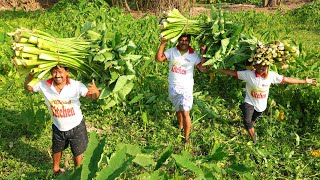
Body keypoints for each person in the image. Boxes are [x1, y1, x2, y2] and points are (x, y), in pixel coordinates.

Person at [24, 65, 100, 175]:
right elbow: (28, 87)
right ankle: (55, 169)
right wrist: (30, 74)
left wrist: (96, 92)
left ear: (67, 72)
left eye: (60, 72)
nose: (57, 75)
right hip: (58, 126)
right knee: (57, 149)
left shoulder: (76, 85)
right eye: (54, 72)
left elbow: (92, 96)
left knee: (78, 152)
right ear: (50, 73)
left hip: (76, 126)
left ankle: (78, 173)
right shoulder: (44, 85)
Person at [220, 63, 317, 143]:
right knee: (247, 121)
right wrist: (217, 69)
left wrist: (305, 81)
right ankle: (254, 140)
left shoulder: (271, 76)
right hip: (249, 102)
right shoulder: (248, 74)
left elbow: (287, 80)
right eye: (259, 65)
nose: (262, 68)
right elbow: (232, 73)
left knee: (252, 120)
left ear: (268, 66)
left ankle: (250, 129)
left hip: (261, 106)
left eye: (265, 65)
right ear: (254, 65)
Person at [155, 34, 208, 143]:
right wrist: (163, 43)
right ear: (178, 41)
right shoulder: (172, 51)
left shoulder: (194, 55)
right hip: (173, 86)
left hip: (186, 88)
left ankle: (186, 138)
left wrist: (203, 53)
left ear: (189, 42)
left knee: (185, 112)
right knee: (178, 110)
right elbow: (158, 59)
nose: (184, 42)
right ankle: (180, 127)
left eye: (186, 40)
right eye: (182, 40)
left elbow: (202, 69)